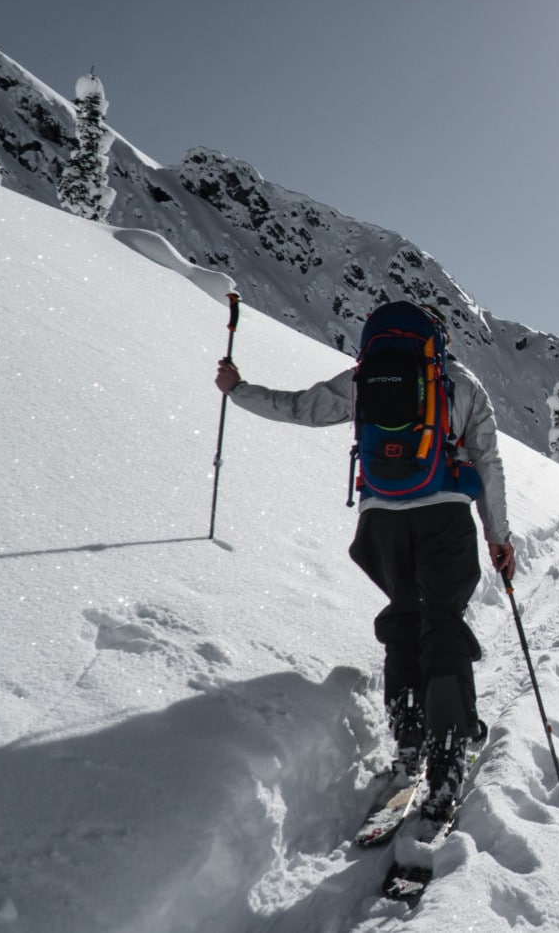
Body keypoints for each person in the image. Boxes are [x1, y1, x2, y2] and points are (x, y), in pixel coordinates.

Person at [215, 302, 515, 822]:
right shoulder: (458, 383)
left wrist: (238, 390)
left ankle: (409, 741)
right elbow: (487, 461)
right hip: (443, 514)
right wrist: (499, 536)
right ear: (438, 339)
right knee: (442, 623)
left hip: (381, 520)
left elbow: (304, 407)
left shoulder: (365, 377)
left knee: (404, 617)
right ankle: (447, 752)